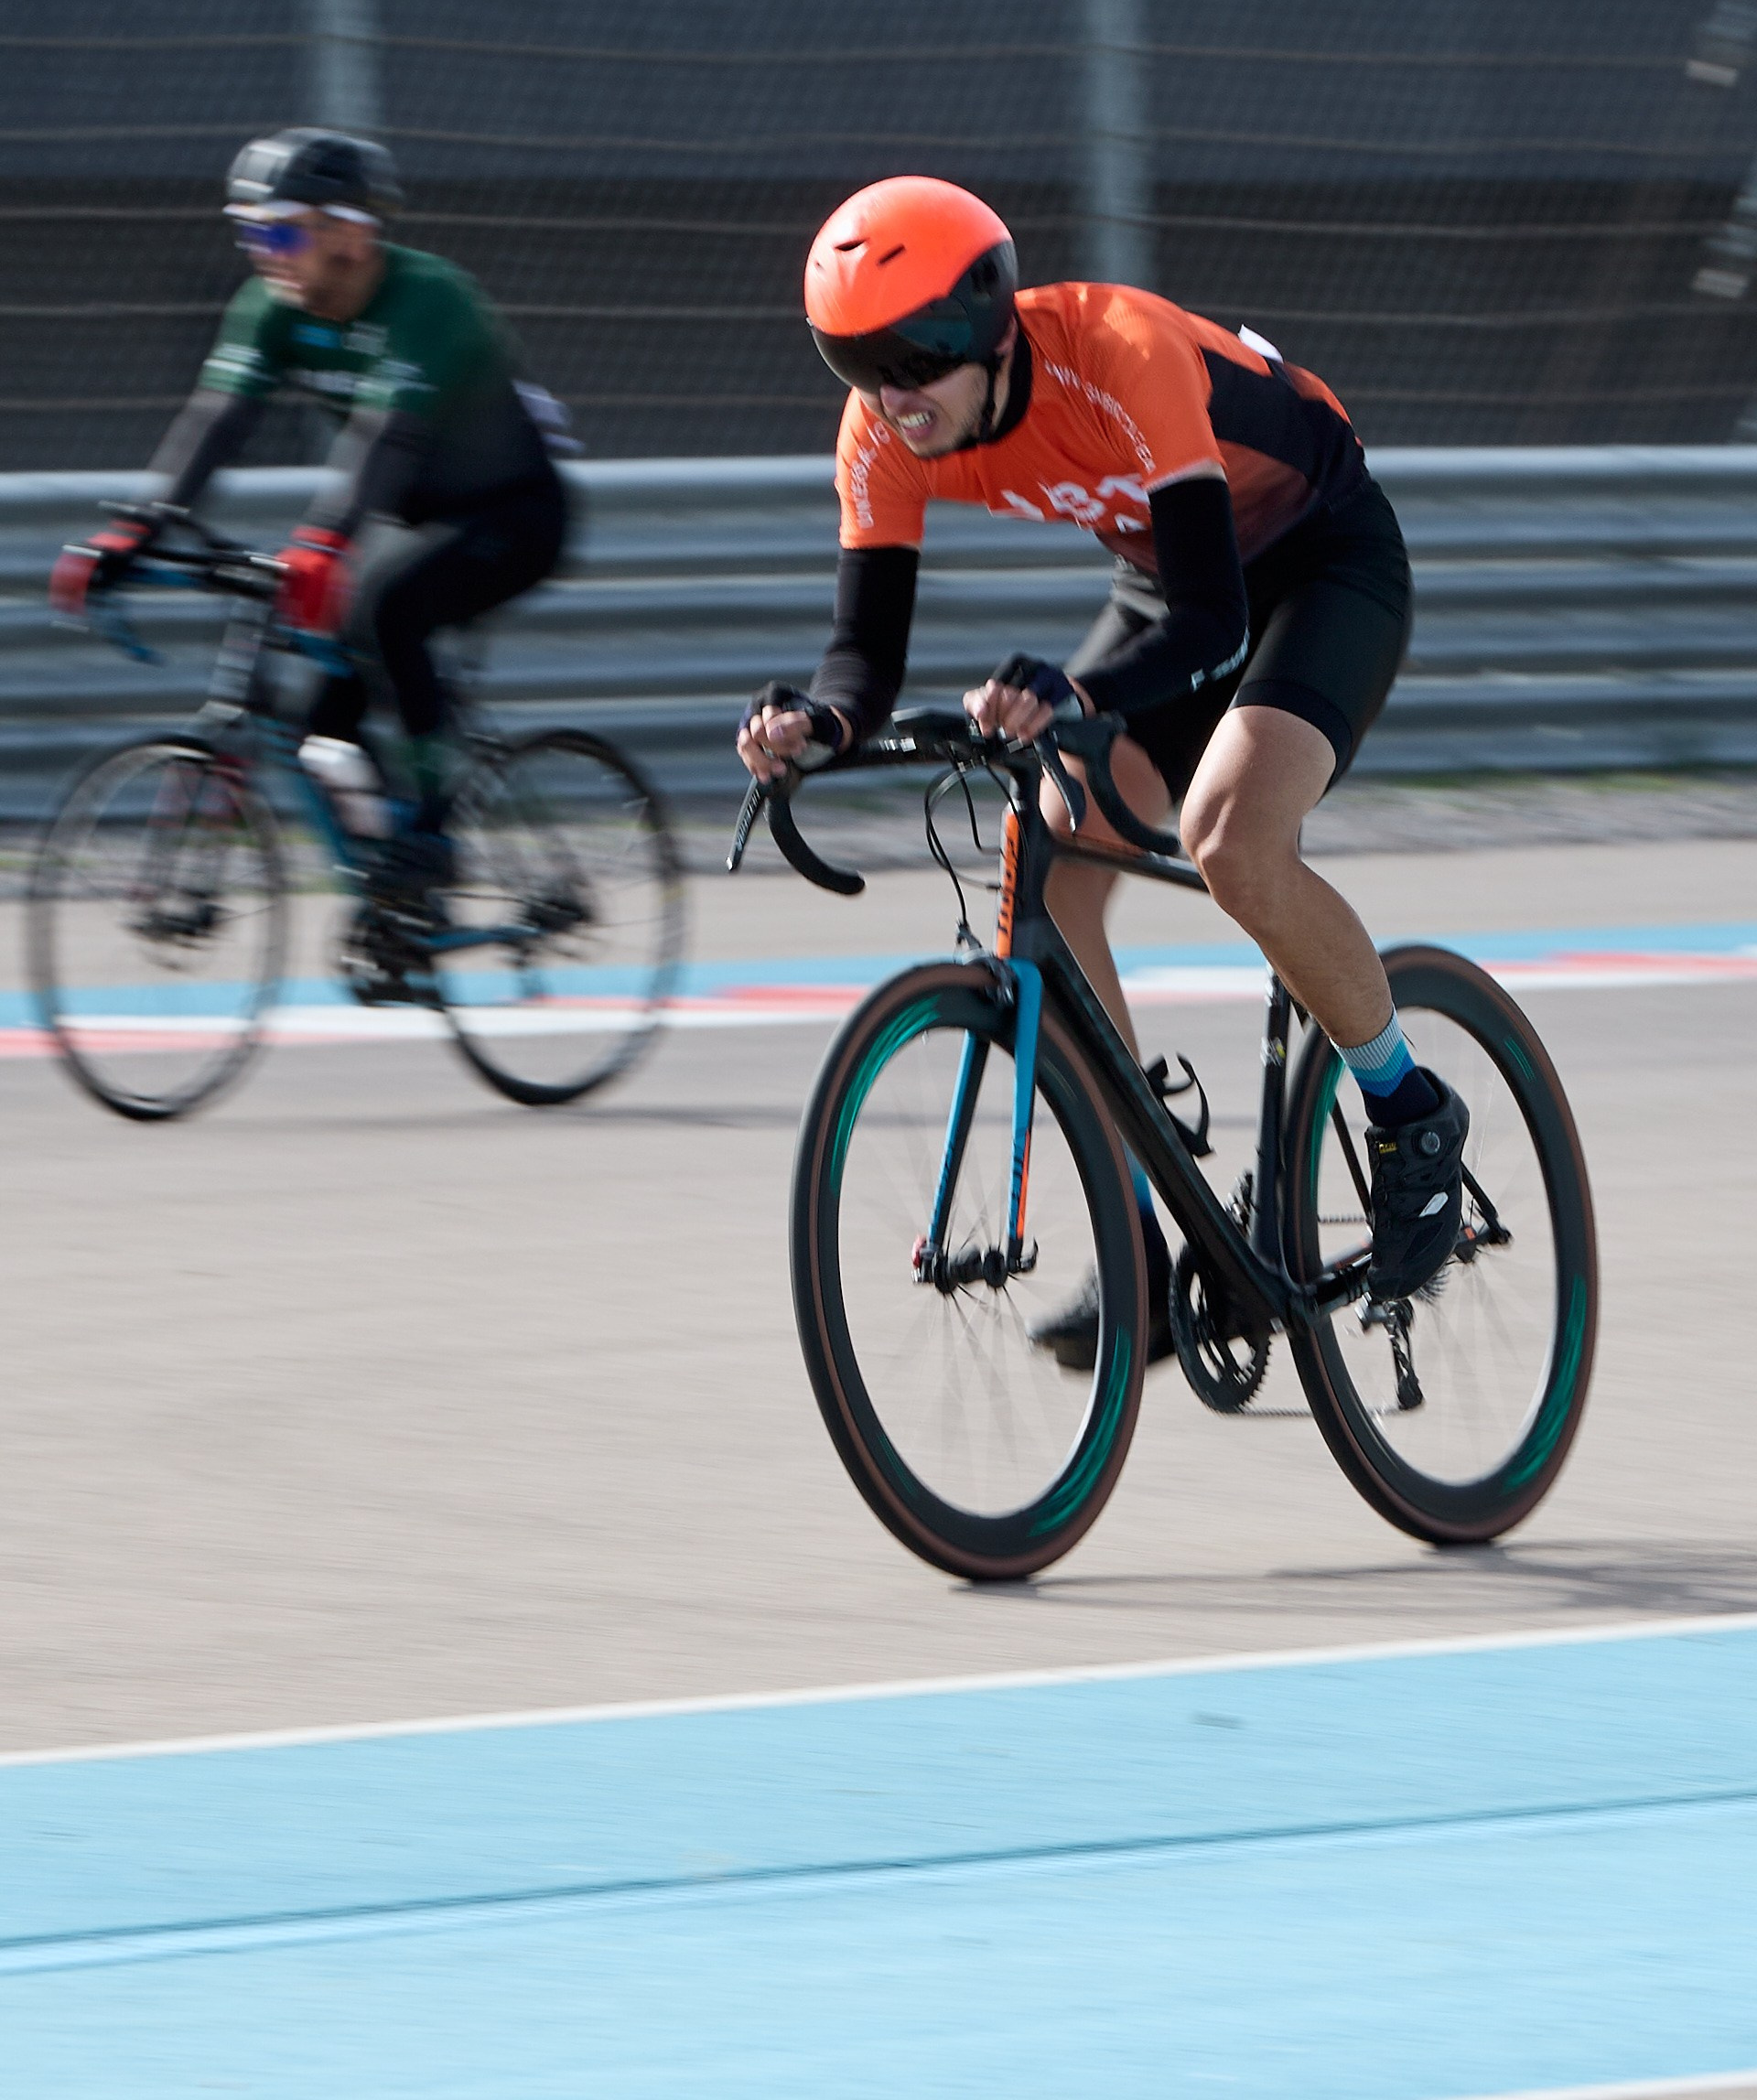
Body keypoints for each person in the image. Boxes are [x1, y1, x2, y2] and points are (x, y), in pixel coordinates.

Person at [737, 175, 1466, 1362]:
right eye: (853, 361)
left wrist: (1074, 692)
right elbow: (861, 662)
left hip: (1316, 561)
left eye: (914, 355)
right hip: (1168, 582)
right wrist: (814, 726)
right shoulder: (885, 432)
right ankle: (1141, 1222)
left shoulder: (1116, 349)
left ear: (984, 320)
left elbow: (1217, 626)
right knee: (1056, 858)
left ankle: (1408, 1110)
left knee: (1234, 840)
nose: (891, 394)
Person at [51, 127, 570, 894]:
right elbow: (215, 422)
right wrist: (139, 526)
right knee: (318, 725)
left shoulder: (430, 299)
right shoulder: (271, 306)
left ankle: (433, 825)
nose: (264, 249)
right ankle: (392, 896)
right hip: (410, 516)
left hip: (513, 515)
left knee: (384, 604)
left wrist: (323, 542)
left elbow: (384, 438)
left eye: (283, 230)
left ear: (352, 234)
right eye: (250, 229)